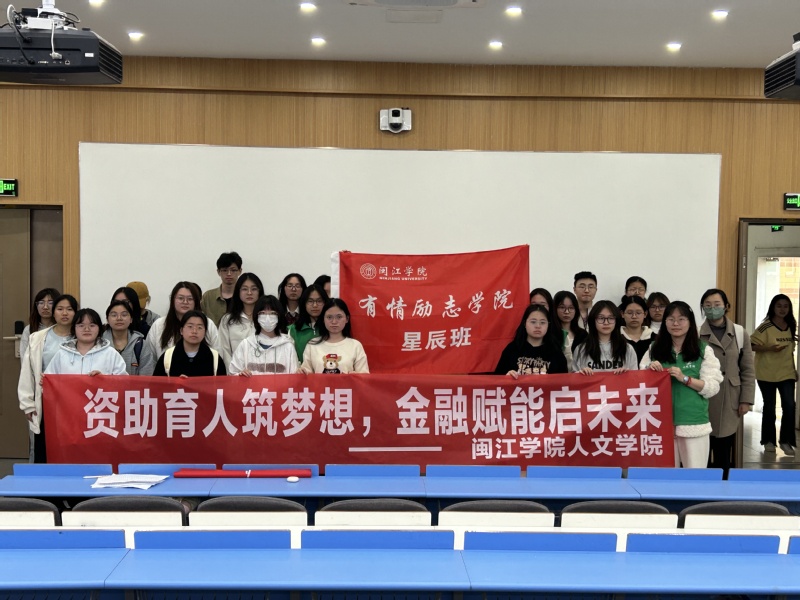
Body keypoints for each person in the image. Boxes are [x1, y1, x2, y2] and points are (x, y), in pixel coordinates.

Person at [641, 301, 723, 468]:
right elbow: (639, 381)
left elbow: (712, 387)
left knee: (695, 475)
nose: (676, 324)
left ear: (690, 322)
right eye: (671, 319)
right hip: (659, 423)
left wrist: (685, 378)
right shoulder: (654, 348)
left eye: (681, 319)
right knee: (665, 477)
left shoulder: (703, 349)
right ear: (665, 323)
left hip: (693, 422)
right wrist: (649, 370)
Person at [699, 288, 755, 475]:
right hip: (704, 398)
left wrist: (746, 399)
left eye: (717, 305)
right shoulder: (696, 333)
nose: (712, 309)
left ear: (726, 306)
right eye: (707, 305)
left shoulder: (739, 332)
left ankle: (723, 488)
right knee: (702, 452)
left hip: (730, 398)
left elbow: (747, 369)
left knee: (724, 451)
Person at [18, 293, 78, 463]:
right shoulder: (37, 337)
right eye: (60, 309)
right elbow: (27, 372)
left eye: (69, 309)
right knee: (44, 446)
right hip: (46, 399)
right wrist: (27, 404)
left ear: (76, 312)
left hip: (74, 400)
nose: (64, 313)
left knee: (71, 446)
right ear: (54, 312)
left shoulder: (82, 335)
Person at [750, 293, 797, 456]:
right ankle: (768, 441)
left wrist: (794, 370)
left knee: (789, 406)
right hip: (766, 373)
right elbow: (751, 345)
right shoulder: (765, 327)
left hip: (787, 372)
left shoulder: (791, 325)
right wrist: (768, 348)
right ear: (773, 308)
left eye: (786, 306)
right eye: (779, 306)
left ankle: (786, 441)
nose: (782, 309)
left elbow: (790, 351)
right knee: (769, 407)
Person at [146, 281, 220, 360]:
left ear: (196, 301)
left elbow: (217, 355)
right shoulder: (159, 325)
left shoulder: (208, 324)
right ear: (173, 300)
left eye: (190, 299)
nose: (185, 302)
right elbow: (150, 358)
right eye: (181, 298)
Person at [45, 308, 127, 376]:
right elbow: (49, 380)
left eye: (92, 325)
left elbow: (123, 384)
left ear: (99, 328)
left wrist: (104, 381)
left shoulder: (111, 354)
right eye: (81, 325)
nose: (87, 329)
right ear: (74, 328)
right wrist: (44, 381)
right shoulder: (62, 354)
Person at [229, 295, 298, 376]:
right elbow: (232, 373)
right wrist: (240, 375)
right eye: (263, 313)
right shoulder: (246, 344)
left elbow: (294, 377)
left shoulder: (287, 346)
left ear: (279, 316)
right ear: (256, 316)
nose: (267, 318)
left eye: (272, 313)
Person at [494, 304, 567, 377]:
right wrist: (506, 376)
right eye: (533, 322)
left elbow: (563, 380)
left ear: (548, 325)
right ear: (525, 323)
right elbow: (497, 378)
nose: (538, 326)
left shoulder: (556, 353)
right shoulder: (512, 349)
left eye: (542, 322)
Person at [300, 299, 369, 374]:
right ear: (323, 319)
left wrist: (356, 375)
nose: (334, 322)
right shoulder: (312, 345)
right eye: (329, 317)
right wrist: (301, 372)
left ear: (347, 319)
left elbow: (364, 376)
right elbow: (306, 374)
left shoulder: (355, 345)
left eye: (339, 317)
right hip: (319, 382)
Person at [572, 300, 638, 374]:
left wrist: (626, 374)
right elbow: (573, 379)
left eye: (611, 318)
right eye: (601, 318)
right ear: (593, 320)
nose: (606, 323)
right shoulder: (581, 349)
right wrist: (580, 374)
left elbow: (635, 377)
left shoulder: (627, 349)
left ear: (616, 321)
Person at [153, 311, 227, 377]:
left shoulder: (215, 358)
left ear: (205, 332)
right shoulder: (167, 357)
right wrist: (176, 383)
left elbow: (223, 386)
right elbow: (157, 385)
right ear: (181, 330)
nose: (194, 331)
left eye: (199, 327)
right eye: (190, 326)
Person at [218, 273, 264, 366]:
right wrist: (233, 371)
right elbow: (224, 351)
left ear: (260, 291)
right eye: (244, 289)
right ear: (238, 291)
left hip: (263, 370)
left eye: (254, 289)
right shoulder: (227, 320)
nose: (249, 293)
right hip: (236, 371)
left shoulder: (267, 318)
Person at [102, 299, 156, 375]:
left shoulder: (141, 345)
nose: (119, 318)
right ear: (107, 320)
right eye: (114, 315)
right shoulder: (99, 345)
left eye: (124, 315)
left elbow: (146, 378)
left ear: (131, 319)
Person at [200, 251, 243, 326]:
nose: (229, 274)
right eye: (225, 270)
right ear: (218, 272)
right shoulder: (208, 297)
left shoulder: (245, 296)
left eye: (233, 270)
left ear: (240, 271)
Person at [288, 284, 329, 362]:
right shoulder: (293, 330)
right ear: (304, 304)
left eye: (319, 301)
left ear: (325, 303)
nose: (315, 305)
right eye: (310, 301)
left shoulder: (331, 327)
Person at [19, 287, 60, 362]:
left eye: (50, 303)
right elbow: (24, 357)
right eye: (41, 303)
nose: (45, 307)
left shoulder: (62, 328)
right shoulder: (29, 329)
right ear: (36, 306)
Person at [553, 290, 587, 372]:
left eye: (571, 308)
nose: (567, 312)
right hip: (556, 378)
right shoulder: (549, 334)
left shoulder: (583, 335)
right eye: (562, 307)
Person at [619, 295, 654, 363]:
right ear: (622, 314)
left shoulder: (654, 338)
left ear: (645, 314)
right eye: (630, 313)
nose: (634, 316)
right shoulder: (615, 337)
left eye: (638, 313)